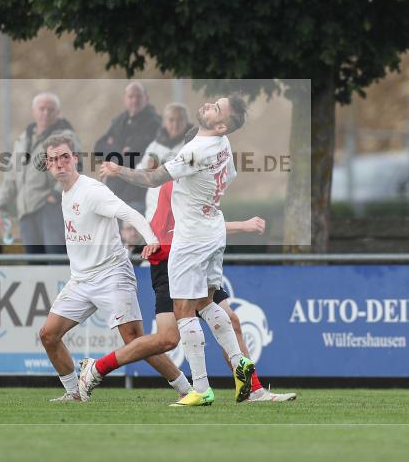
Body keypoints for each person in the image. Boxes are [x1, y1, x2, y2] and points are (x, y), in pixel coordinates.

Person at [83, 94, 250, 406]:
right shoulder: (223, 148)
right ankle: (245, 374)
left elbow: (151, 178)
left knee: (183, 314)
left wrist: (119, 171)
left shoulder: (195, 152)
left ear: (222, 125)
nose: (209, 104)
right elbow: (227, 177)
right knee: (209, 305)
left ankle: (200, 389)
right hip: (211, 232)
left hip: (187, 241)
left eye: (217, 107)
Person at [37, 134, 193, 402]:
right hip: (81, 280)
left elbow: (130, 214)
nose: (60, 163)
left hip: (111, 274)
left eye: (65, 157)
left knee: (134, 341)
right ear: (48, 165)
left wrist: (152, 239)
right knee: (49, 335)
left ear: (75, 158)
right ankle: (75, 393)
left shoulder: (92, 191)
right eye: (53, 159)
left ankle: (187, 390)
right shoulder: (65, 193)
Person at [135, 180, 297, 403]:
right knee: (168, 338)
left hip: (198, 254)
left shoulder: (205, 178)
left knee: (230, 318)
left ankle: (249, 388)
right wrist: (243, 225)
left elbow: (206, 223)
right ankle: (97, 369)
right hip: (170, 261)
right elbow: (182, 225)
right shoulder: (176, 184)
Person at [0, 92, 77, 257]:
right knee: (34, 263)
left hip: (51, 209)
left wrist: (55, 195)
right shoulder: (23, 139)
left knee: (56, 259)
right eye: (42, 108)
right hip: (26, 212)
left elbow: (72, 168)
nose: (46, 113)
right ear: (34, 111)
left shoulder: (66, 137)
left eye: (51, 109)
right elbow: (11, 175)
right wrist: (1, 206)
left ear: (58, 113)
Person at [93, 82, 161, 214]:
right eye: (131, 96)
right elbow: (99, 147)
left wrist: (113, 151)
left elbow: (137, 157)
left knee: (134, 234)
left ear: (146, 98)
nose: (134, 100)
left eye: (138, 96)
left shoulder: (155, 124)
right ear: (125, 99)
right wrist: (120, 151)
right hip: (115, 193)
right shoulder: (119, 121)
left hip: (138, 194)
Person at [137, 103, 193, 220]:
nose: (175, 124)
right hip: (156, 204)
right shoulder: (155, 146)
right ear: (164, 122)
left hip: (184, 204)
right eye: (171, 120)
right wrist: (146, 169)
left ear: (186, 121)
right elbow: (140, 172)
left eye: (180, 120)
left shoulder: (193, 144)